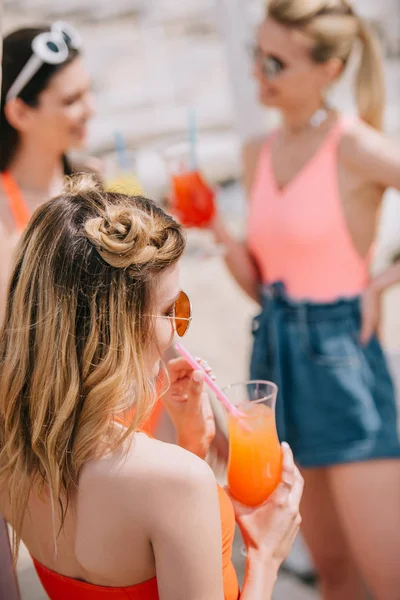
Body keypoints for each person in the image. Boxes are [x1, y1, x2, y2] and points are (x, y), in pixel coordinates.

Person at [0, 175, 303, 600]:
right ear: (116, 328)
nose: (177, 333)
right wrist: (267, 557)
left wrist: (191, 445)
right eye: (169, 310)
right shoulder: (175, 482)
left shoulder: (13, 445)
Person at [209, 1, 400, 598]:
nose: (259, 75)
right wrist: (217, 229)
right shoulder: (255, 154)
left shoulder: (353, 146)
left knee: (387, 574)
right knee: (332, 574)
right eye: (256, 56)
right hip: (273, 360)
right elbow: (263, 286)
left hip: (342, 359)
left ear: (329, 69)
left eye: (276, 62)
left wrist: (383, 280)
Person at [0, 22, 95, 308]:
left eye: (88, 92)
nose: (91, 110)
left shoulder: (95, 183)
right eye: (71, 100)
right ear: (20, 112)